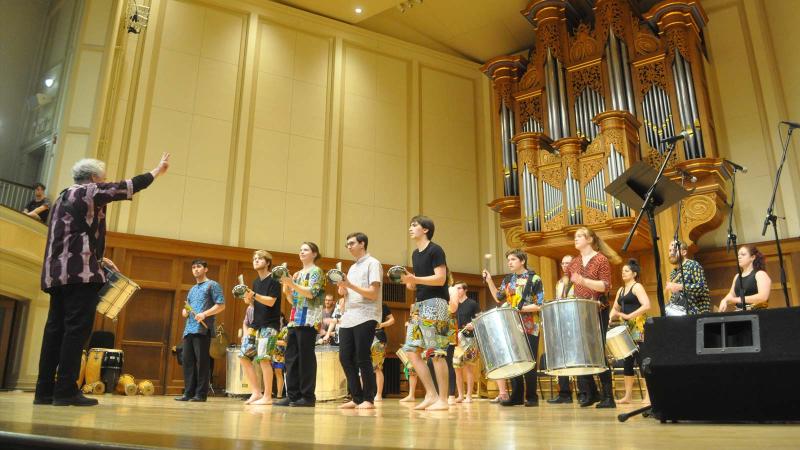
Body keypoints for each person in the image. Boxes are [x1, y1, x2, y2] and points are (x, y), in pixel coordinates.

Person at [35, 154, 169, 406]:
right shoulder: (88, 191)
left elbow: (71, 238)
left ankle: (43, 391)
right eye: (102, 178)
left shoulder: (62, 198)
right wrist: (156, 171)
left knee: (54, 331)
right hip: (81, 275)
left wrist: (99, 257)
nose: (105, 181)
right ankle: (65, 390)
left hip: (56, 275)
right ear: (94, 178)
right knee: (76, 331)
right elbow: (127, 186)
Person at [400, 215, 453, 411]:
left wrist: (416, 278)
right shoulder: (415, 254)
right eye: (410, 225)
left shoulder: (435, 249)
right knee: (411, 350)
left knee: (436, 352)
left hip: (436, 304)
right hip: (419, 305)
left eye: (414, 225)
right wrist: (409, 282)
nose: (410, 228)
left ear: (426, 230)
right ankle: (431, 394)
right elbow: (416, 285)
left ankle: (444, 400)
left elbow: (440, 279)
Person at [564, 227, 621, 408]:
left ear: (589, 240)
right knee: (582, 352)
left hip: (598, 310)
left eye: (580, 236)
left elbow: (605, 286)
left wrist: (584, 281)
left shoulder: (601, 259)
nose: (576, 239)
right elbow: (567, 283)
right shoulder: (573, 262)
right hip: (579, 311)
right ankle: (591, 393)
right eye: (575, 237)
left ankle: (608, 397)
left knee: (597, 352)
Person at [483, 249, 544, 407]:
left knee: (529, 361)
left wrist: (520, 309)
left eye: (513, 259)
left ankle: (531, 397)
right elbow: (498, 297)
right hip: (511, 325)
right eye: (508, 259)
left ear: (522, 261)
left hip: (530, 325)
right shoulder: (508, 279)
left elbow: (539, 304)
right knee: (513, 360)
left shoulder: (535, 278)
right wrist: (490, 281)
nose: (509, 262)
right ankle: (516, 396)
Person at [335, 232, 383, 409]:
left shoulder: (373, 263)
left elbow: (373, 293)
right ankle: (356, 397)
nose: (348, 246)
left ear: (362, 244)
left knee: (362, 356)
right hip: (348, 317)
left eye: (352, 243)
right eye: (347, 244)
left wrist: (349, 285)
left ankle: (368, 399)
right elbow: (345, 293)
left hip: (367, 314)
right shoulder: (352, 268)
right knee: (345, 357)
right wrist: (342, 287)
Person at [275, 242, 326, 407]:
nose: (301, 252)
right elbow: (293, 300)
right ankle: (293, 395)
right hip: (294, 319)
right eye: (300, 250)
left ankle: (308, 396)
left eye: (306, 249)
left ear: (314, 254)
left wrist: (292, 284)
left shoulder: (316, 272)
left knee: (306, 359)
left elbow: (311, 294)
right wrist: (287, 290)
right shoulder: (297, 274)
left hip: (309, 320)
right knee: (291, 359)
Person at [176, 259, 226, 402]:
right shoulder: (192, 289)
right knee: (187, 361)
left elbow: (221, 305)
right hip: (189, 329)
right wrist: (185, 311)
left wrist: (204, 314)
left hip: (203, 329)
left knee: (202, 362)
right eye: (193, 268)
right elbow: (188, 306)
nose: (195, 270)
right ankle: (188, 392)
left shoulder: (212, 285)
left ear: (206, 269)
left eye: (198, 267)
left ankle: (201, 394)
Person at [239, 250, 282, 405]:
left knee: (264, 359)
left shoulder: (274, 280)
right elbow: (254, 303)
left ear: (268, 262)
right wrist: (248, 299)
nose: (256, 260)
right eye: (254, 259)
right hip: (255, 325)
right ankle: (256, 392)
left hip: (269, 326)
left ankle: (268, 397)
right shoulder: (256, 282)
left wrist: (254, 295)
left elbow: (271, 302)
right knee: (243, 357)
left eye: (259, 258)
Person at [608, 259, 650, 404]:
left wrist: (629, 316)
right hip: (625, 329)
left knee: (641, 360)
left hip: (638, 327)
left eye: (626, 271)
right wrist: (611, 316)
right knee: (628, 361)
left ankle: (648, 396)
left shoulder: (637, 287)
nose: (623, 273)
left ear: (634, 273)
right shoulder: (620, 290)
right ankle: (628, 396)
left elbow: (646, 305)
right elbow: (615, 307)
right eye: (622, 271)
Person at [548, 255, 575, 404]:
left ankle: (585, 393)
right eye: (563, 263)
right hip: (561, 322)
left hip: (574, 321)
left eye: (568, 263)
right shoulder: (559, 283)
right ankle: (564, 393)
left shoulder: (579, 281)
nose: (565, 266)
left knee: (576, 357)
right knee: (562, 357)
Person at [718, 245, 771, 312]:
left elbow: (763, 297)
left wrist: (738, 299)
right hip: (740, 313)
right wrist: (724, 300)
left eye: (743, 254)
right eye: (738, 255)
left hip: (757, 313)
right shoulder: (737, 276)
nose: (739, 257)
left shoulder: (760, 274)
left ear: (752, 257)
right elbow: (731, 294)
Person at [666, 240, 711, 315]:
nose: (671, 253)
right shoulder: (673, 273)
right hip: (681, 313)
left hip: (697, 313)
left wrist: (679, 287)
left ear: (684, 252)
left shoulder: (693, 265)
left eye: (675, 250)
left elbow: (701, 287)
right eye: (670, 250)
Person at [452, 281, 480, 403]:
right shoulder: (453, 304)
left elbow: (480, 319)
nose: (456, 291)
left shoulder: (472, 304)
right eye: (455, 289)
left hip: (470, 338)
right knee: (457, 367)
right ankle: (460, 395)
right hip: (456, 339)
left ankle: (469, 395)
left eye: (458, 288)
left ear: (465, 290)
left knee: (469, 368)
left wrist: (473, 324)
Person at [372, 302, 395, 402]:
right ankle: (364, 393)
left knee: (377, 367)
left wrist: (381, 324)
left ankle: (378, 394)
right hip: (363, 337)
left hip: (378, 337)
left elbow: (392, 320)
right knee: (362, 367)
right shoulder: (362, 303)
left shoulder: (382, 305)